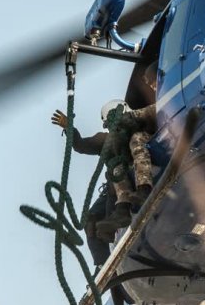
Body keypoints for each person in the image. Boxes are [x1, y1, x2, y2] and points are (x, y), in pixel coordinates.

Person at [51, 100, 157, 238]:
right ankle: (122, 209)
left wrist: (132, 119)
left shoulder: (136, 117)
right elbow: (81, 145)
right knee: (114, 168)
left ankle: (144, 189)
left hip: (151, 152)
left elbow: (158, 109)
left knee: (135, 140)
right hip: (129, 170)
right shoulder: (107, 140)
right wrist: (69, 128)